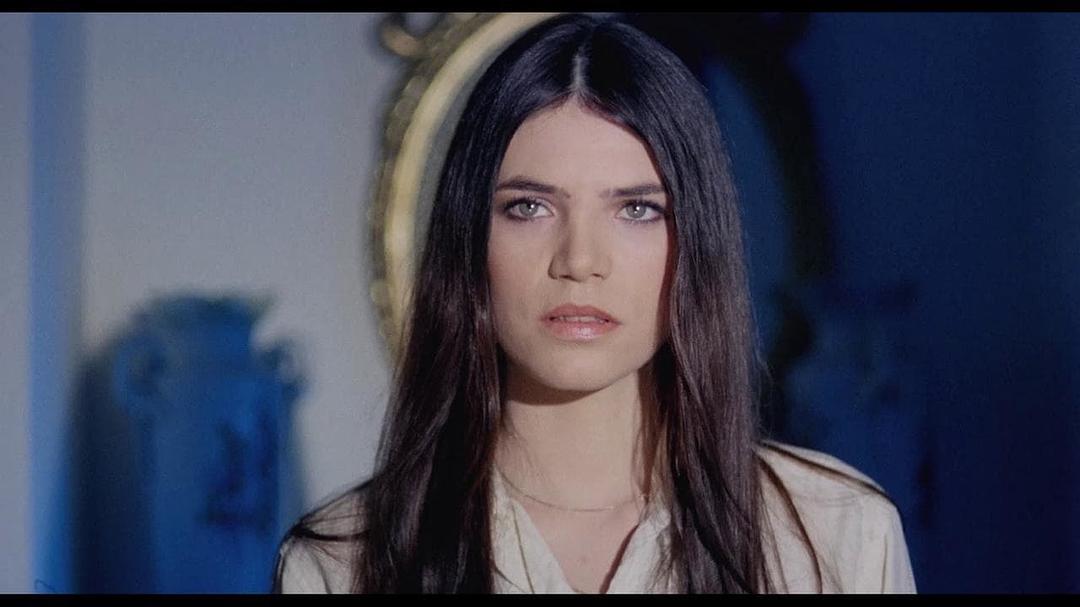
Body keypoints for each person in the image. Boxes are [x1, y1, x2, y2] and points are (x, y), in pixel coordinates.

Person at [273, 13, 917, 594]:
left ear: (697, 239)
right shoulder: (344, 564)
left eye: (637, 209)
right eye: (529, 207)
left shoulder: (836, 533)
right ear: (470, 237)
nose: (580, 260)